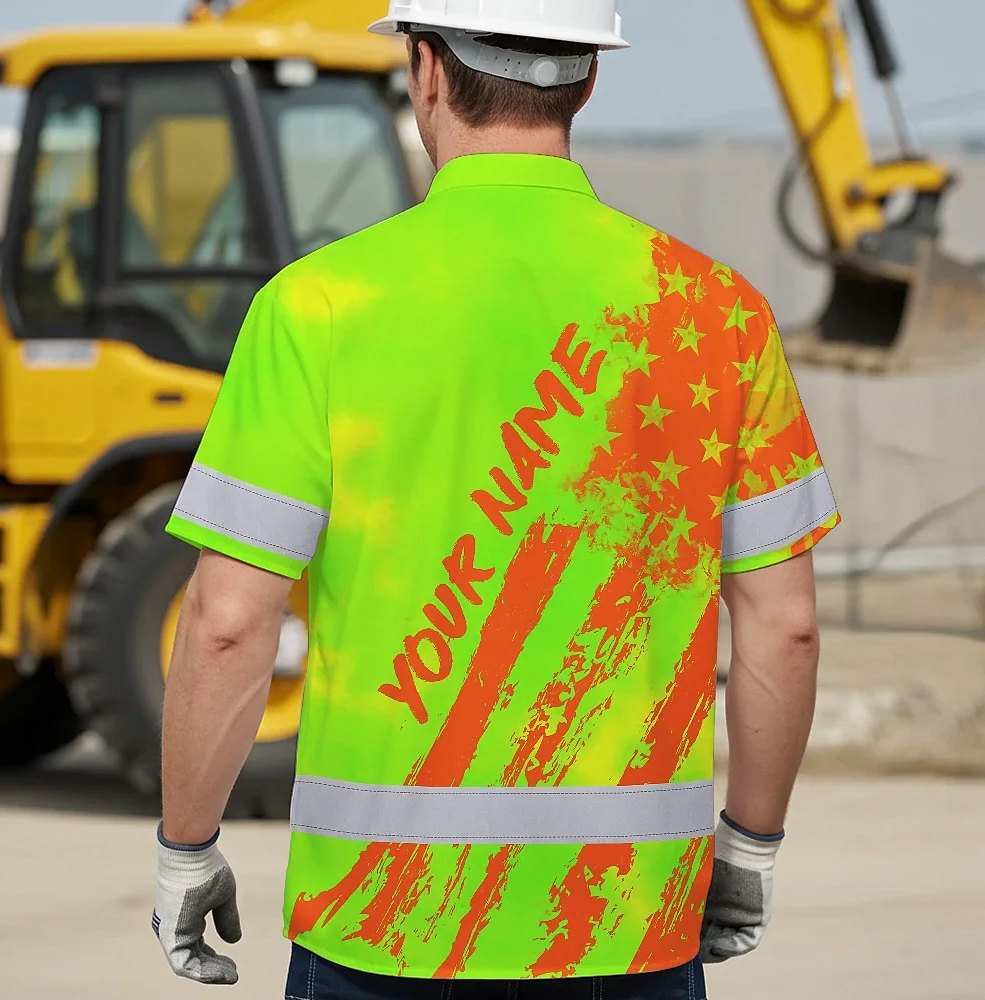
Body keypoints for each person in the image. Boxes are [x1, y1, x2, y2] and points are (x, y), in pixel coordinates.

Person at [152, 1, 840, 996]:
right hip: (627, 923)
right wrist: (751, 844)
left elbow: (227, 623)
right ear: (588, 80)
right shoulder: (719, 312)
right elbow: (785, 627)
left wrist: (187, 846)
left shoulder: (315, 306)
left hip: (378, 926)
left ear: (426, 68)